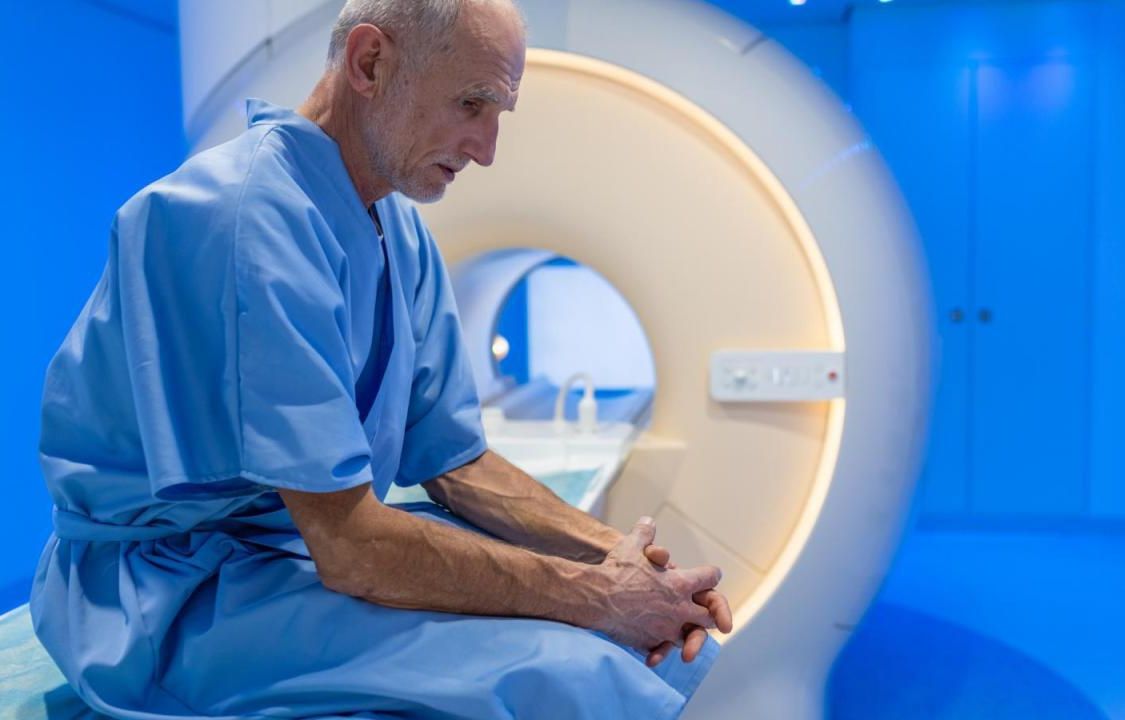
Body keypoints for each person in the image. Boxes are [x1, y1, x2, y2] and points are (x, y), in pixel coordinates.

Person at [30, 0, 733, 718]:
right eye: (471, 104)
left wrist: (618, 559)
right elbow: (351, 546)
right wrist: (598, 597)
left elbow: (456, 462)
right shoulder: (238, 218)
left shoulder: (397, 226)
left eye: (498, 114)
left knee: (617, 639)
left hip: (283, 549)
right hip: (165, 593)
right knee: (571, 667)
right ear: (370, 62)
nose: (487, 148)